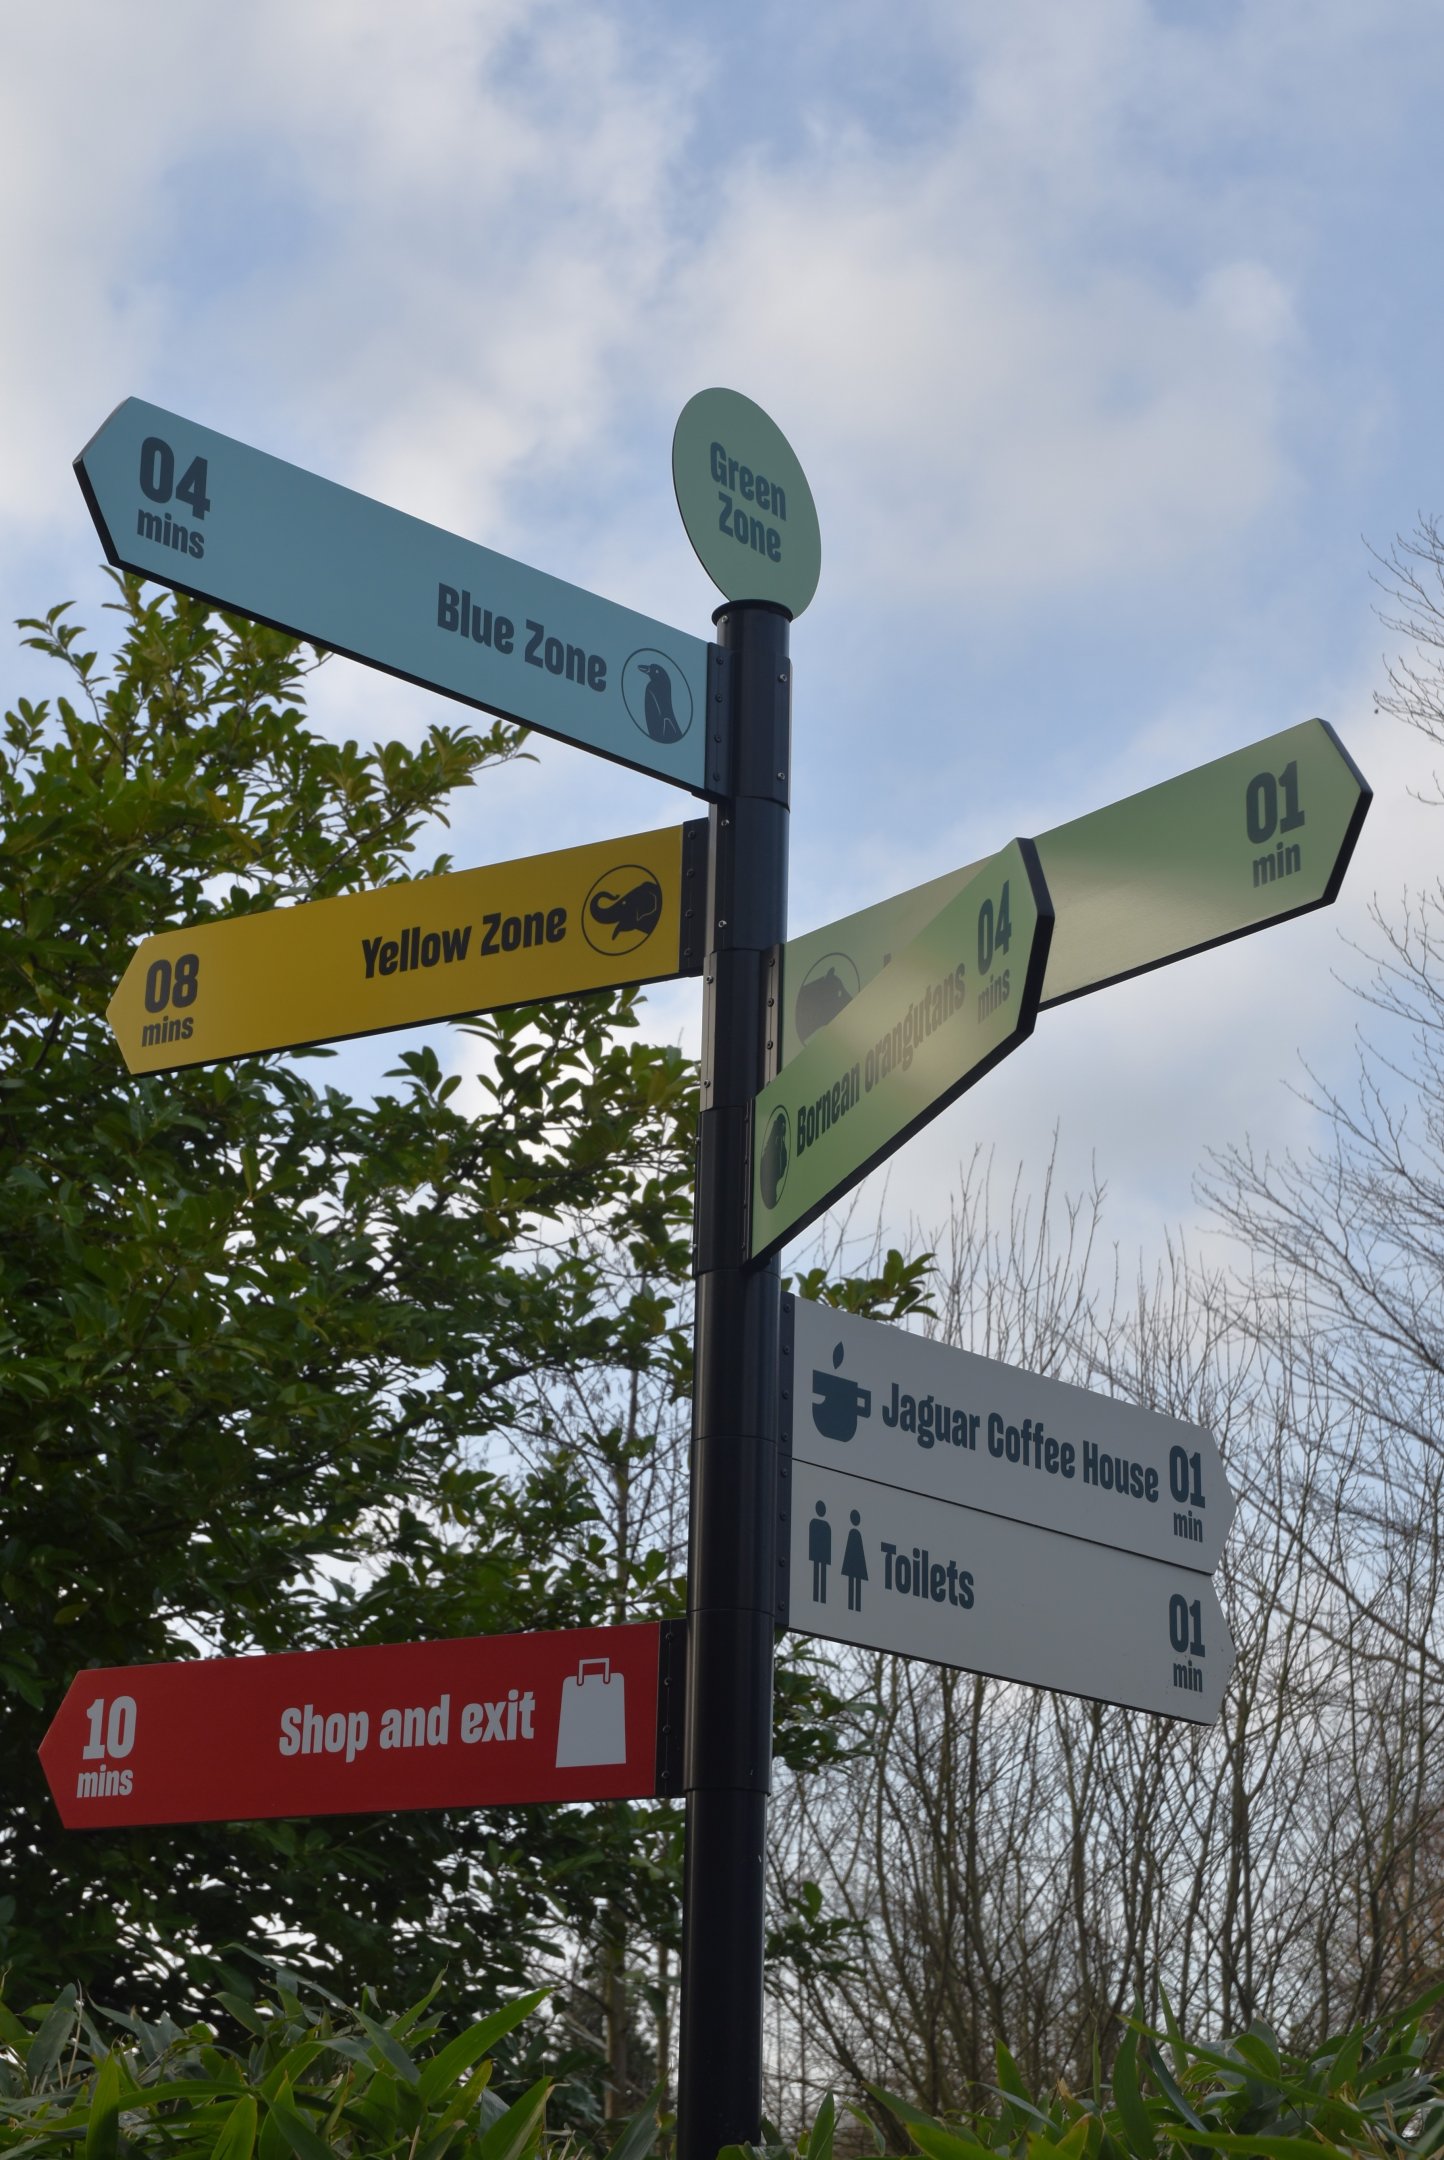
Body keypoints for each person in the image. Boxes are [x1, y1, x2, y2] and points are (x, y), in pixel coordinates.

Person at [841, 1507, 868, 1613]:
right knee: (854, 1583)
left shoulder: (855, 1533)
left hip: (854, 1562)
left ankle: (854, 1606)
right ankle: (853, 1606)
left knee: (854, 1583)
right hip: (854, 1562)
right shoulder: (854, 1533)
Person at [808, 1500, 831, 1602]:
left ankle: (820, 1597)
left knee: (819, 1574)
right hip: (821, 1555)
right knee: (819, 1574)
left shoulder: (814, 1523)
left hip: (819, 1554)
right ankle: (819, 1597)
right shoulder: (825, 1525)